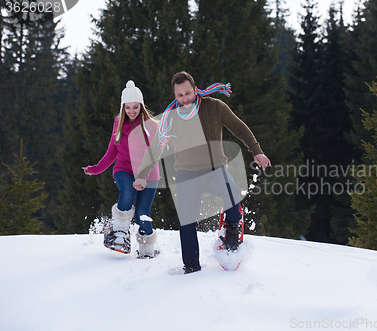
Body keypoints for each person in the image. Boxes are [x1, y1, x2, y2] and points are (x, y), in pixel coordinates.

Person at [134, 71, 271, 273]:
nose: (184, 98)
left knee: (233, 195)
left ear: (196, 90)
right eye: (179, 95)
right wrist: (141, 174)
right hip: (187, 174)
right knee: (187, 222)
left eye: (188, 93)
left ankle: (230, 234)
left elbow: (239, 128)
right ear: (175, 95)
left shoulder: (215, 107)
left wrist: (257, 151)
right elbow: (156, 147)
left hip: (216, 169)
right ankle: (191, 267)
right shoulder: (170, 119)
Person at [83, 80, 160, 258]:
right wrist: (95, 169)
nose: (131, 111)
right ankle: (119, 231)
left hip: (149, 174)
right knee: (127, 191)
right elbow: (112, 152)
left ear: (141, 106)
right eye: (127, 108)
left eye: (135, 107)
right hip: (124, 168)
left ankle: (148, 249)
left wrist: (142, 176)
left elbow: (152, 156)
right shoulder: (118, 123)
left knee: (142, 215)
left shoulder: (152, 126)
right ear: (122, 107)